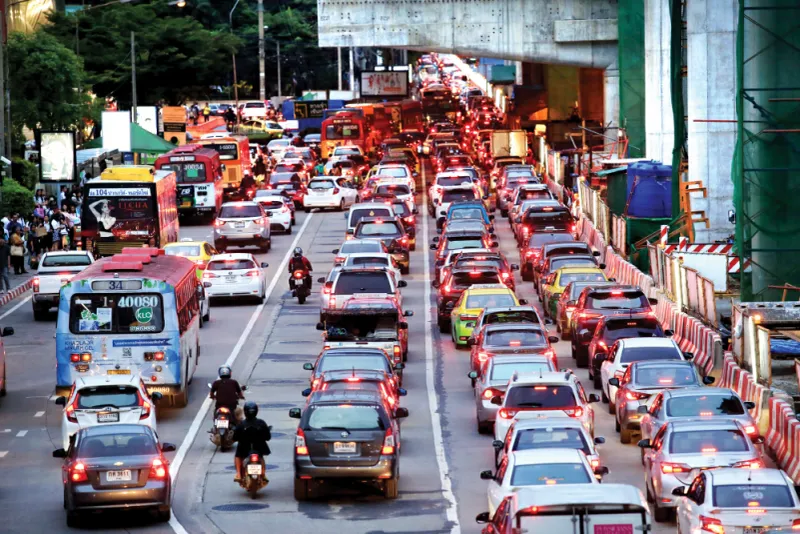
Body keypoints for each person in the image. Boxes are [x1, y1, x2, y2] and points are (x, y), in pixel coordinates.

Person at [232, 401, 271, 483]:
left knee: (238, 456)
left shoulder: (241, 424)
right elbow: (268, 437)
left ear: (245, 412)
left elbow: (235, 438)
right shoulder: (261, 423)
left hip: (244, 448)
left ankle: (238, 474)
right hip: (259, 447)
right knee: (261, 457)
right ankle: (263, 475)